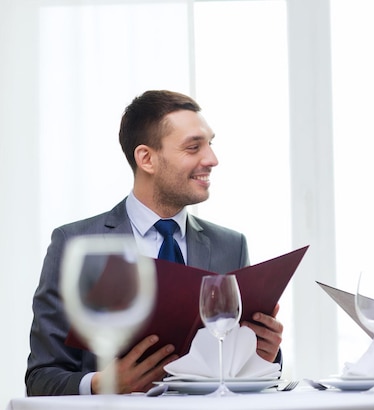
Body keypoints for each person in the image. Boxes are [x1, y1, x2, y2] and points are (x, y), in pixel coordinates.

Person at [25, 90, 284, 395]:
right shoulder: (75, 245)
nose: (212, 159)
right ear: (146, 158)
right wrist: (102, 384)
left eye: (210, 144)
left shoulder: (230, 245)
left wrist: (263, 357)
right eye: (193, 147)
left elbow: (244, 377)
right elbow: (40, 379)